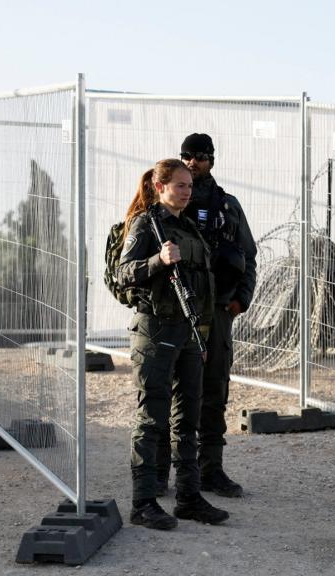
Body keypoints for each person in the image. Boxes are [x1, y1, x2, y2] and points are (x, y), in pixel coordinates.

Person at [117, 159, 229, 529]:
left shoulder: (188, 227)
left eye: (189, 186)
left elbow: (203, 285)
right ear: (160, 186)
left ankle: (188, 496)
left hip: (190, 333)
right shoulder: (145, 223)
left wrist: (205, 335)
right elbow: (124, 272)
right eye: (179, 185)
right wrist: (157, 260)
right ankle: (143, 502)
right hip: (156, 332)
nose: (187, 191)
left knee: (187, 420)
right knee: (152, 419)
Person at [179, 133, 257, 499]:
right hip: (178, 312)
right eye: (187, 156)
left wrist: (241, 300)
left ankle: (211, 470)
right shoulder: (168, 202)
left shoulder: (227, 205)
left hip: (219, 310)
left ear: (212, 160)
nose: (193, 163)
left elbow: (249, 255)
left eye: (200, 157)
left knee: (214, 391)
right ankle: (174, 471)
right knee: (177, 392)